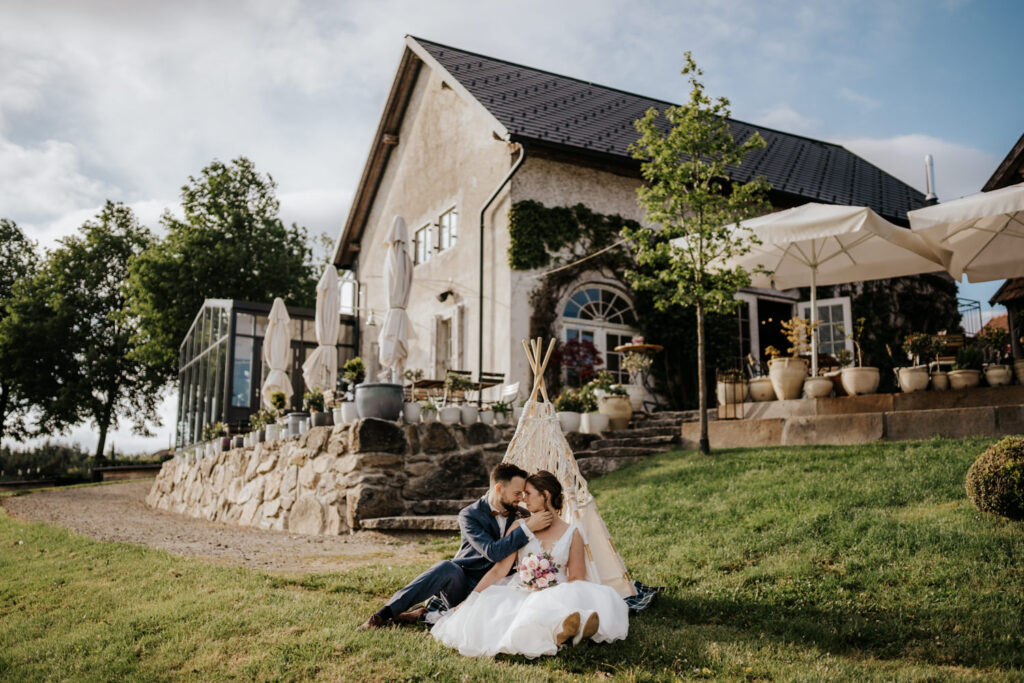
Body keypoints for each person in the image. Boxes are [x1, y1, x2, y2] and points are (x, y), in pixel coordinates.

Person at [430, 470, 629, 658]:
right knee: (521, 610)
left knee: (564, 598)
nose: (523, 499)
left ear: (546, 495)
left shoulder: (572, 532)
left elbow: (576, 577)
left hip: (559, 588)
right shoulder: (520, 527)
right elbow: (499, 570)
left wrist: (559, 592)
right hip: (523, 589)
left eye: (528, 493)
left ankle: (571, 626)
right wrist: (471, 599)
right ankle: (566, 630)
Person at [358, 462, 554, 630]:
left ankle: (422, 614)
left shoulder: (520, 514)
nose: (521, 498)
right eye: (517, 493)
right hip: (465, 583)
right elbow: (493, 552)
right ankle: (383, 615)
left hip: (500, 586)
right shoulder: (469, 515)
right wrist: (527, 529)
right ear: (499, 488)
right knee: (446, 567)